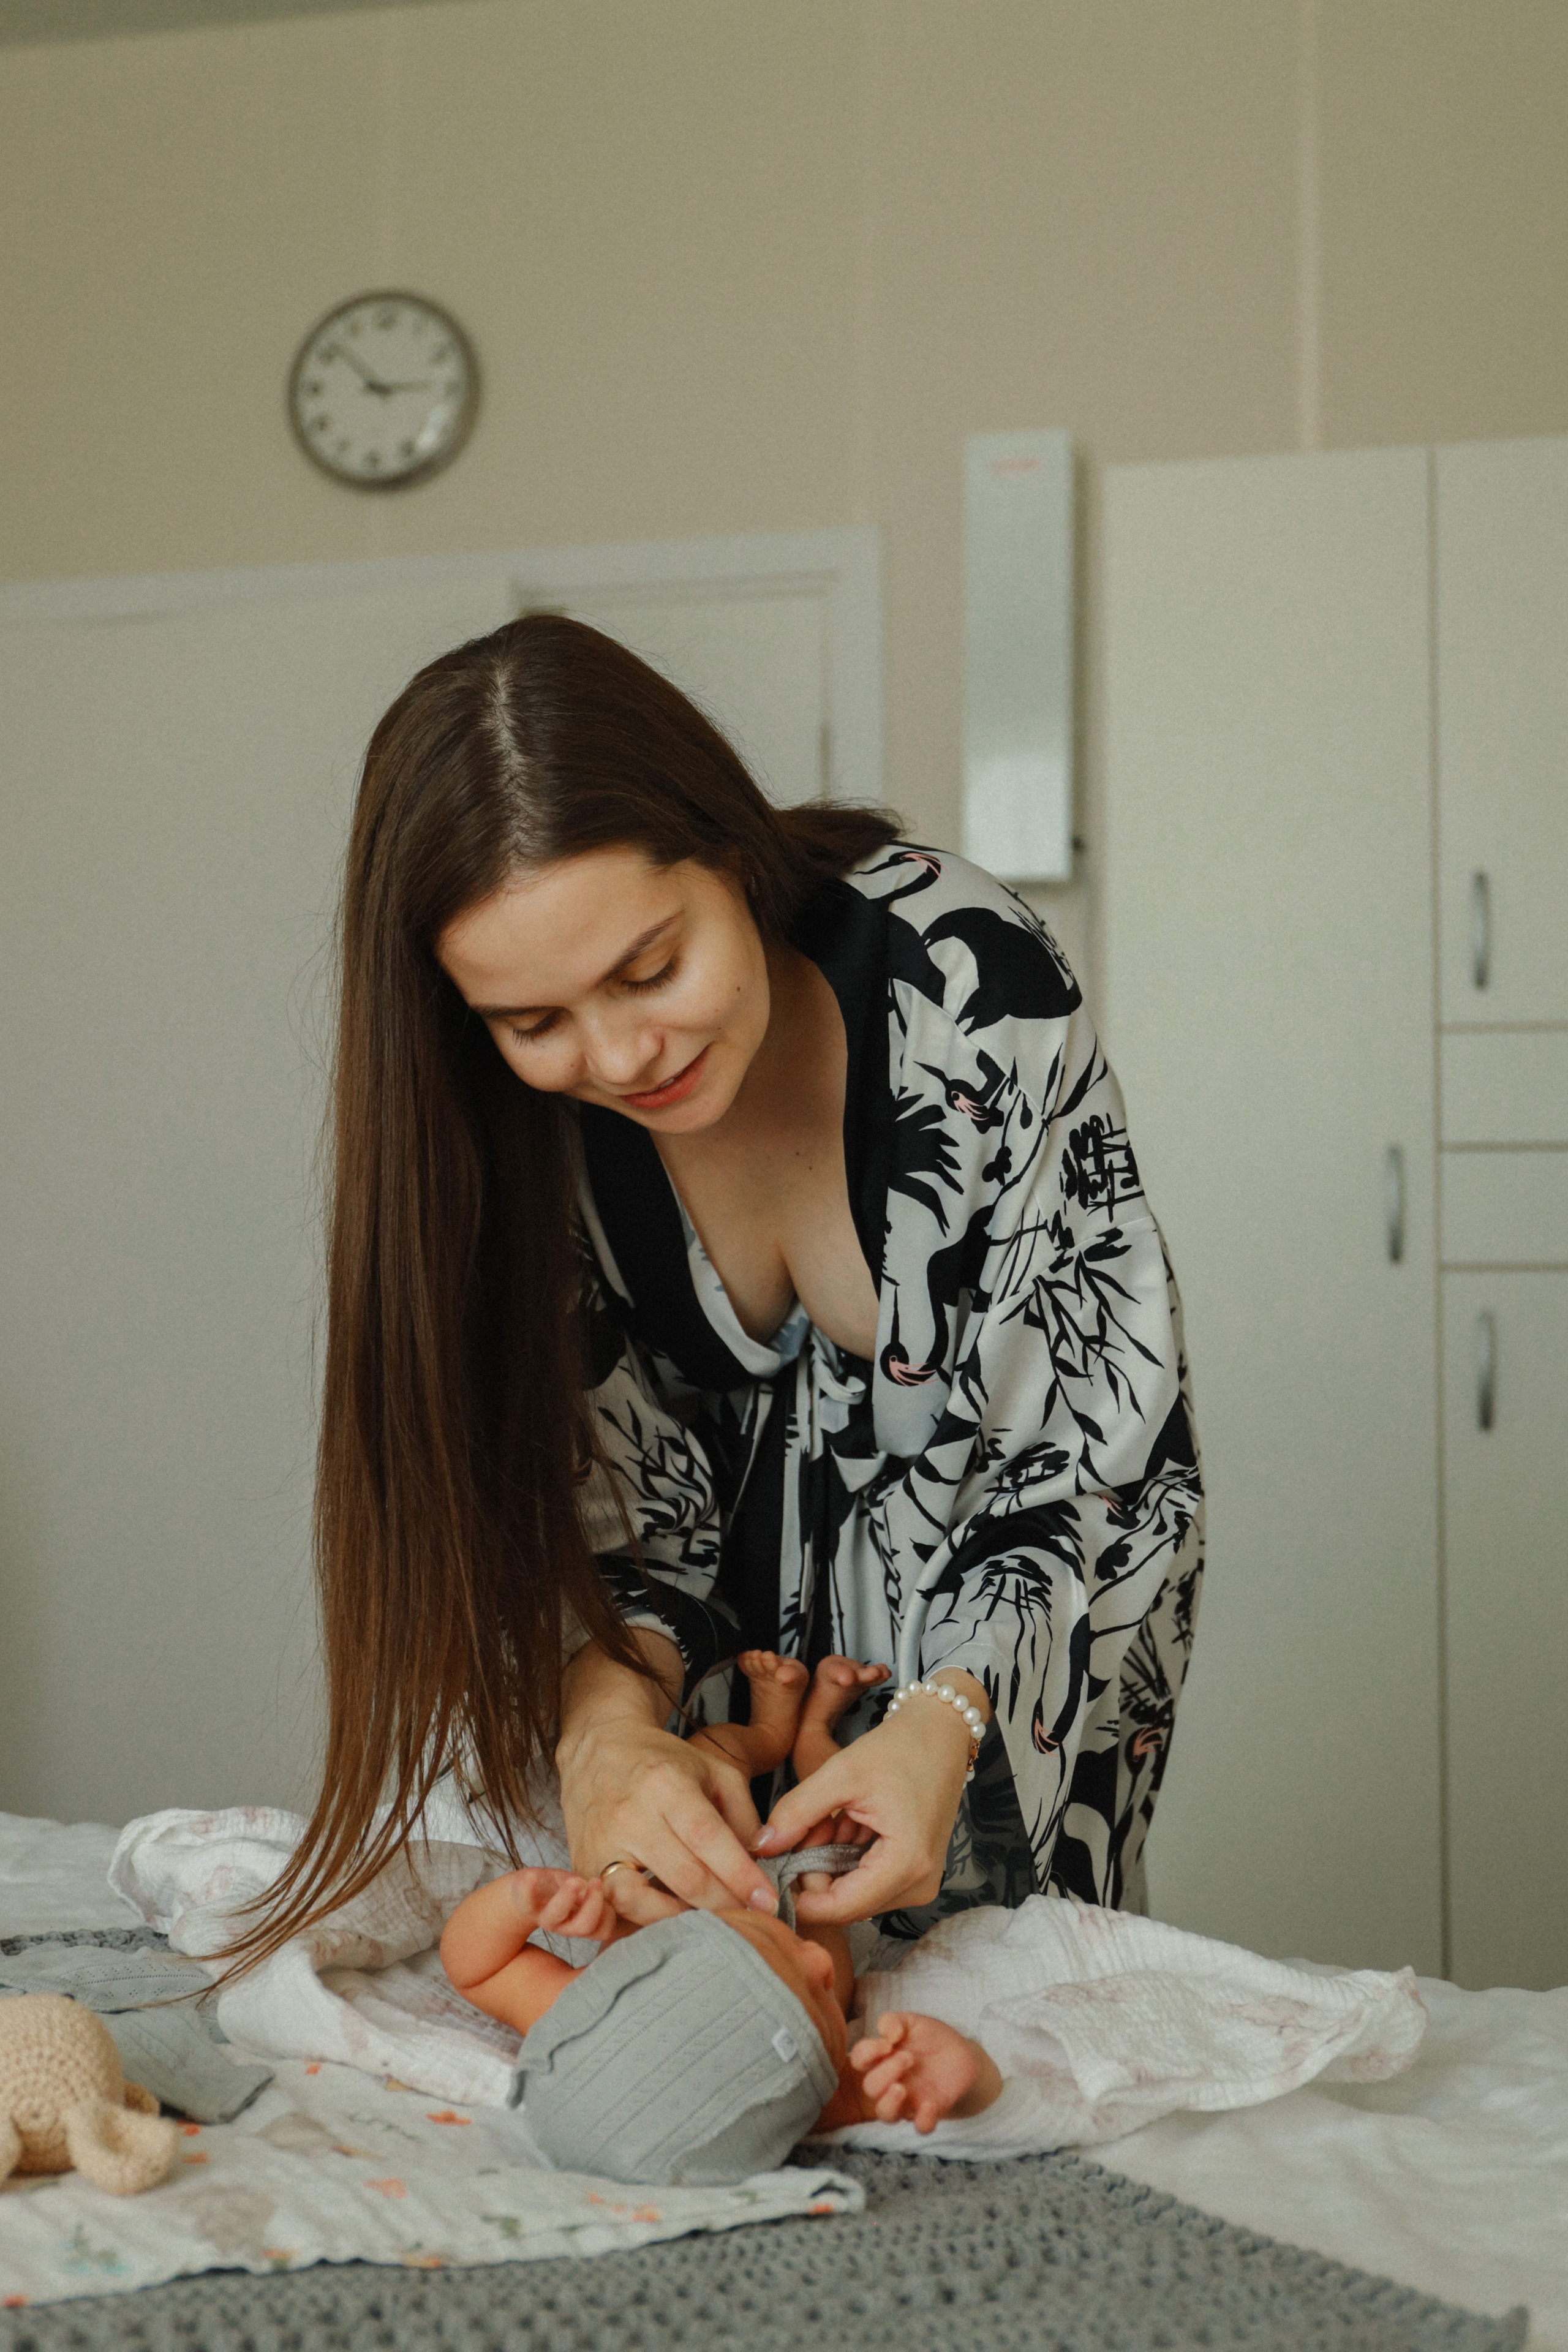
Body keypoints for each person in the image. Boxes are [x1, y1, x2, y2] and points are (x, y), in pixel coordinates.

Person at [230, 612, 1203, 1977]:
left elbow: (1088, 1442)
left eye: (648, 971)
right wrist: (604, 1735)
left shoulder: (964, 983)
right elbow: (608, 1526)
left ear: (733, 852)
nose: (621, 1056)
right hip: (703, 1790)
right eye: (534, 1022)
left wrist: (947, 1721)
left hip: (999, 1719)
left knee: (976, 2032)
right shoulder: (507, 1126)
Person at [439, 1649, 1002, 2182]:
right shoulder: (787, 2099)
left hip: (710, 1855)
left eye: (774, 1952)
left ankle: (770, 1732)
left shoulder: (578, 2009)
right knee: (838, 1815)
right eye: (821, 2006)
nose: (820, 1963)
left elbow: (475, 1967)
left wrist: (524, 1901)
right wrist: (962, 2076)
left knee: (713, 1755)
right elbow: (912, 2099)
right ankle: (816, 1731)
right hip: (814, 1889)